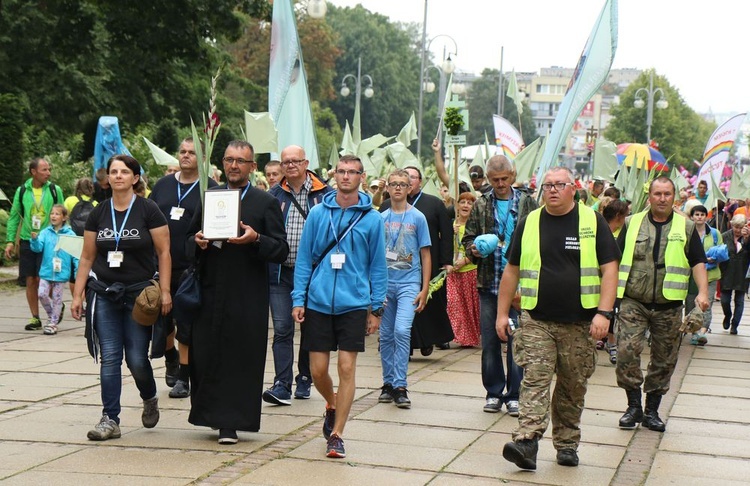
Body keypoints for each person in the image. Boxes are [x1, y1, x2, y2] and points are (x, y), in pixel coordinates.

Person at [497, 166, 620, 470]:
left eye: (558, 185)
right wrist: (501, 314)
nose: (552, 190)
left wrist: (604, 313)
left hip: (580, 323)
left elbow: (610, 269)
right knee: (534, 380)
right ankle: (526, 441)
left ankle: (567, 443)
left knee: (572, 385)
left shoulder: (593, 221)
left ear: (573, 188)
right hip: (537, 319)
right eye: (547, 185)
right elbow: (511, 270)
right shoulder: (530, 222)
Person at [188, 141, 288, 445]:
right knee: (207, 354)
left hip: (247, 292)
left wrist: (256, 238)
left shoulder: (264, 202)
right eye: (230, 160)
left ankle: (231, 422)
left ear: (252, 167)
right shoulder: (210, 197)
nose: (234, 166)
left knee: (240, 356)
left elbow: (281, 250)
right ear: (222, 163)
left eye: (241, 161)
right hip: (210, 289)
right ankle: (210, 416)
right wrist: (199, 241)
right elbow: (188, 242)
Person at [71, 155, 172, 441]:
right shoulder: (99, 213)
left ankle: (149, 396)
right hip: (104, 293)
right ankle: (110, 419)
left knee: (138, 359)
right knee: (110, 357)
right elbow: (88, 256)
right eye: (113, 172)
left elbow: (164, 252)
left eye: (124, 172)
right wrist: (78, 295)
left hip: (140, 295)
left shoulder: (148, 210)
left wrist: (164, 290)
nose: (118, 176)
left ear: (135, 178)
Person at [292, 155, 387, 459]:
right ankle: (331, 403)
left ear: (362, 176)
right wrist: (299, 298)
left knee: (347, 367)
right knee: (318, 370)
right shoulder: (319, 213)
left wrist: (376, 308)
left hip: (354, 303)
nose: (346, 176)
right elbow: (305, 259)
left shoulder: (372, 219)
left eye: (352, 172)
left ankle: (337, 435)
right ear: (335, 176)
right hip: (318, 302)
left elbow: (378, 266)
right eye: (341, 172)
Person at [616, 176, 709, 433]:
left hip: (669, 305)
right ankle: (633, 406)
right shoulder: (631, 223)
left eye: (667, 194)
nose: (662, 198)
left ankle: (651, 411)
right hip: (634, 301)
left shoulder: (687, 227)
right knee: (626, 352)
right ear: (650, 197)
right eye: (657, 194)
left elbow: (698, 262)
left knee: (664, 360)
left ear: (674, 197)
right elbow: (613, 259)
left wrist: (702, 292)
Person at [462, 155, 537, 415]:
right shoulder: (482, 204)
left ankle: (515, 393)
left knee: (517, 340)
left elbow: (540, 236)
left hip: (520, 286)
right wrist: (474, 250)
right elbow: (468, 238)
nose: (501, 184)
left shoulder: (528, 202)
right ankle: (493, 392)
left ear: (513, 175)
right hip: (489, 283)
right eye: (495, 180)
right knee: (491, 340)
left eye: (505, 179)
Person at [149, 137, 218, 399]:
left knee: (187, 325)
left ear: (201, 158)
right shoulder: (163, 186)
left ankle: (184, 377)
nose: (186, 156)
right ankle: (170, 355)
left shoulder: (210, 188)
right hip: (161, 266)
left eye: (192, 152)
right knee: (162, 322)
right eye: (182, 151)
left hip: (192, 268)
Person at [264, 145, 333, 406]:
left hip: (314, 275)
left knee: (309, 328)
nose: (291, 165)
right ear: (281, 166)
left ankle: (304, 377)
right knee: (282, 328)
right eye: (286, 162)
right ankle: (282, 383)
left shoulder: (325, 195)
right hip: (281, 273)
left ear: (305, 164)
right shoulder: (272, 196)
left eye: (296, 161)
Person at [379, 165, 454, 356]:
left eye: (411, 179)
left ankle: (426, 340)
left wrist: (447, 260)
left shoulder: (433, 204)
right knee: (394, 323)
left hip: (424, 264)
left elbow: (445, 233)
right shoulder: (386, 208)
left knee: (424, 309)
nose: (404, 184)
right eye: (395, 183)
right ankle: (405, 347)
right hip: (391, 270)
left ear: (418, 182)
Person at [378, 169, 431, 409]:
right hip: (386, 283)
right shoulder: (381, 218)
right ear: (387, 188)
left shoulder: (418, 217)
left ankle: (401, 385)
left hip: (409, 282)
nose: (398, 188)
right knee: (386, 335)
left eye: (402, 184)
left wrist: (425, 287)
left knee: (402, 330)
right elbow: (375, 254)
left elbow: (425, 253)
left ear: (410, 188)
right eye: (393, 184)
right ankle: (388, 383)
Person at [5, 158, 65, 331]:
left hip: (48, 240)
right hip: (27, 240)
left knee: (45, 278)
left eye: (49, 169)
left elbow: (62, 213)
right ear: (33, 172)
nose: (48, 173)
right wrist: (10, 241)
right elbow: (15, 216)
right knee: (30, 279)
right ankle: (35, 318)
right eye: (44, 170)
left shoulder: (55, 190)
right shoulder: (22, 190)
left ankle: (54, 310)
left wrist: (62, 237)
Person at [29, 204, 78, 335]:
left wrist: (77, 271)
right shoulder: (45, 232)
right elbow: (37, 248)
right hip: (46, 271)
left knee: (57, 298)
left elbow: (75, 255)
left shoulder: (70, 234)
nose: (53, 216)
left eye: (57, 214)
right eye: (52, 213)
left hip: (61, 273)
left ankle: (52, 324)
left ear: (64, 217)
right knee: (42, 294)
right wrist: (34, 240)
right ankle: (52, 315)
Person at [447, 191, 480, 347]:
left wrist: (466, 261)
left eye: (470, 202)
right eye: (463, 202)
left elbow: (479, 249)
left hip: (470, 270)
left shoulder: (475, 227)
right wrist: (447, 233)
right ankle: (460, 335)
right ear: (457, 205)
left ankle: (470, 337)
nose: (466, 205)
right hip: (453, 272)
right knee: (454, 305)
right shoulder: (451, 225)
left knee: (470, 307)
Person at [686, 205, 723, 345]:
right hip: (692, 276)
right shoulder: (688, 232)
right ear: (692, 217)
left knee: (706, 304)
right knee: (691, 304)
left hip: (710, 275)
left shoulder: (714, 233)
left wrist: (714, 257)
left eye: (702, 214)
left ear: (706, 217)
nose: (699, 217)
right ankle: (693, 331)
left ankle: (702, 332)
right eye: (697, 214)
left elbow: (722, 251)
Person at [719, 214, 750, 335]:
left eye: (740, 227)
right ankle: (727, 315)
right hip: (727, 271)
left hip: (742, 272)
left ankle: (735, 325)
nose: (737, 230)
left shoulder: (747, 237)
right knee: (725, 300)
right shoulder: (725, 236)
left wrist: (747, 239)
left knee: (740, 301)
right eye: (735, 227)